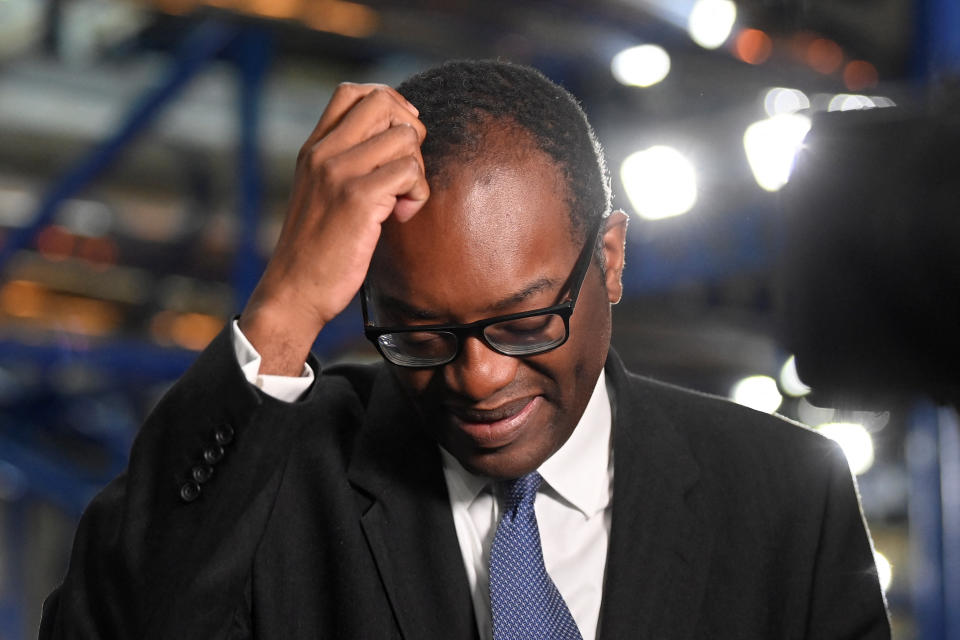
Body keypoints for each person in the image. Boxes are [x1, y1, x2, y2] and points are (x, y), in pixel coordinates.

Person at [39, 60, 890, 639]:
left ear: (611, 259)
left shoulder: (786, 497)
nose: (478, 377)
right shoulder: (286, 479)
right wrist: (287, 301)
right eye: (421, 335)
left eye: (524, 324)